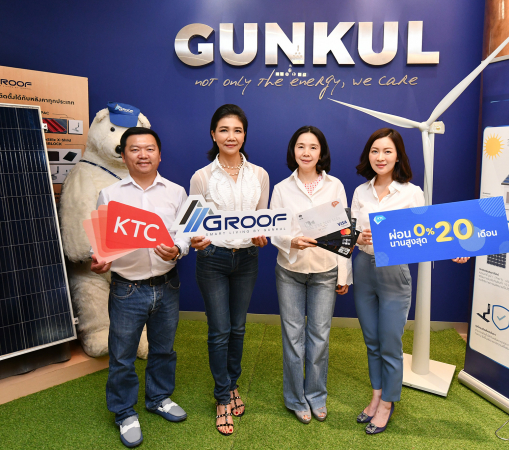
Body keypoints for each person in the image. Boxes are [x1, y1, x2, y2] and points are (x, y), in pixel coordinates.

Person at [351, 128, 469, 435]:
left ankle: (387, 403)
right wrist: (357, 237)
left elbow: (428, 233)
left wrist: (454, 249)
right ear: (368, 155)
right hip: (363, 268)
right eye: (375, 151)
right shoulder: (360, 191)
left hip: (394, 273)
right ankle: (376, 395)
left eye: (387, 151)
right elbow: (350, 232)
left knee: (390, 342)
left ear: (398, 156)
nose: (380, 157)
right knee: (372, 340)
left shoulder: (411, 193)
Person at [91, 127, 189, 448]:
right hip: (126, 289)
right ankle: (124, 412)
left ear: (159, 155)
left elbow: (185, 234)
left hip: (167, 285)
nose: (142, 155)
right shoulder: (110, 195)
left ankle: (158, 398)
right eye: (134, 149)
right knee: (122, 356)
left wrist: (177, 249)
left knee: (163, 349)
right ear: (123, 156)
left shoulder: (176, 192)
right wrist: (100, 258)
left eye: (149, 149)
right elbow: (101, 242)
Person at [189, 104, 269, 436]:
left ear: (244, 135)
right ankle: (222, 397)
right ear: (213, 134)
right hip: (213, 260)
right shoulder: (201, 177)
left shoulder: (260, 175)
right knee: (219, 330)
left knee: (238, 328)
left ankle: (232, 383)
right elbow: (193, 226)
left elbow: (262, 219)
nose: (230, 136)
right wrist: (195, 239)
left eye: (237, 130)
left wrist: (262, 234)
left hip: (247, 259)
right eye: (224, 130)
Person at [270, 126, 352, 424]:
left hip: (325, 271)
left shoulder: (335, 185)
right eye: (301, 146)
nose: (306, 152)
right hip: (289, 270)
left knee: (319, 337)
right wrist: (291, 241)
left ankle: (316, 395)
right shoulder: (281, 188)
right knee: (293, 338)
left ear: (321, 152)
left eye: (313, 147)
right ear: (293, 151)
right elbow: (274, 229)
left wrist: (343, 275)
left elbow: (345, 232)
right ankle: (295, 398)